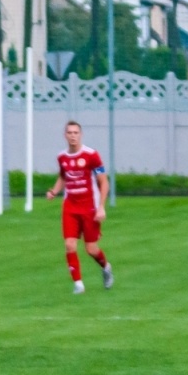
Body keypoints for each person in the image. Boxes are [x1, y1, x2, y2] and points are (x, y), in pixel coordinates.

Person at [46, 120, 113, 294]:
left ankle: (106, 267)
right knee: (69, 245)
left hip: (89, 207)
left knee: (91, 249)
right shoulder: (62, 157)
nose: (73, 136)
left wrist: (101, 207)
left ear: (80, 135)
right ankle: (78, 284)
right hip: (70, 207)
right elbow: (63, 177)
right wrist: (54, 191)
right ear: (65, 135)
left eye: (76, 133)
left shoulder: (92, 155)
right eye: (70, 133)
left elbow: (104, 182)